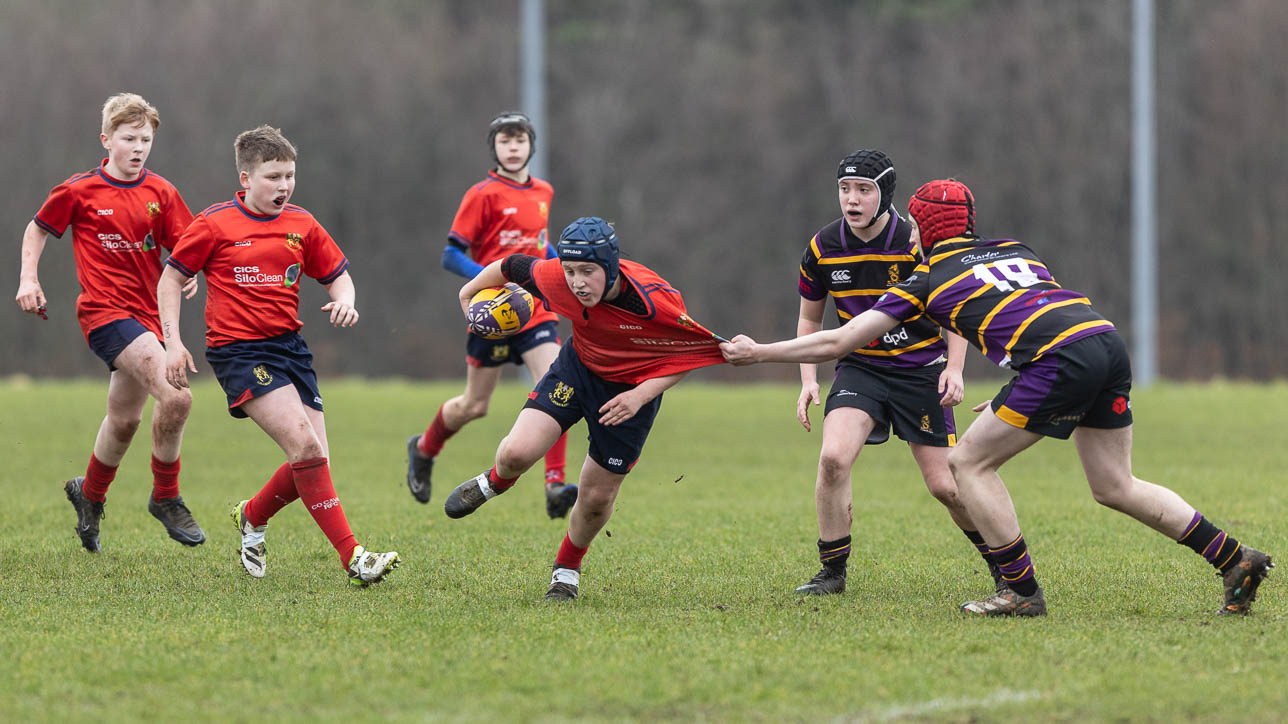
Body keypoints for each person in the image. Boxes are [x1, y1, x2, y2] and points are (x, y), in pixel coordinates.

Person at [722, 178, 1273, 617]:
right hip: (1102, 341)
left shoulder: (928, 278)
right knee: (1114, 485)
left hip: (1058, 360)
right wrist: (1024, 388)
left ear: (923, 229)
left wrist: (760, 352)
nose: (910, 233)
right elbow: (1029, 308)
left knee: (966, 464)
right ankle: (1233, 557)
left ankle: (1020, 591)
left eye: (915, 224)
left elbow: (842, 339)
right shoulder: (1016, 249)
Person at [157, 125, 398, 586]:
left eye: (289, 175)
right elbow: (170, 280)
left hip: (291, 350)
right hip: (238, 352)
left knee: (313, 461)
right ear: (245, 178)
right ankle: (354, 558)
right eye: (273, 176)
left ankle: (252, 515)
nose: (284, 186)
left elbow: (338, 275)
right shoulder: (213, 224)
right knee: (306, 449)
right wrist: (172, 342)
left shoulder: (302, 224)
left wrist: (346, 300)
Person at [443, 217, 727, 601]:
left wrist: (640, 396)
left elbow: (691, 354)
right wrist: (468, 294)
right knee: (515, 453)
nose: (577, 282)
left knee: (594, 500)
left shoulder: (655, 300)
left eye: (588, 272)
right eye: (571, 270)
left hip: (629, 396)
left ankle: (567, 568)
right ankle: (493, 482)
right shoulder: (556, 278)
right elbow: (510, 265)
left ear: (610, 268)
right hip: (577, 371)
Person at [790, 149, 1002, 597]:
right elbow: (811, 321)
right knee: (832, 459)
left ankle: (1005, 565)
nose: (852, 200)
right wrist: (809, 379)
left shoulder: (915, 243)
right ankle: (832, 572)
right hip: (861, 368)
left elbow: (952, 311)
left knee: (946, 486)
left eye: (863, 190)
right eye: (844, 189)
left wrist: (955, 369)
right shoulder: (822, 247)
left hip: (920, 372)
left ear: (884, 194)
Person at [16, 92, 204, 552]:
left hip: (150, 318)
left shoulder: (162, 193)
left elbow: (187, 247)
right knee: (177, 398)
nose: (139, 147)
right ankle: (166, 496)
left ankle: (90, 494)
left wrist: (188, 273)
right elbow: (38, 227)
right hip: (104, 314)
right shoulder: (79, 191)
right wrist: (28, 278)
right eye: (129, 138)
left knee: (123, 421)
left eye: (146, 139)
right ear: (107, 140)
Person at [406, 111, 574, 519]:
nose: (513, 147)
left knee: (557, 383)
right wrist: (488, 285)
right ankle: (424, 449)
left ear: (531, 145)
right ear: (494, 148)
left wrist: (560, 273)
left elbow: (541, 245)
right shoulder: (482, 194)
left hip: (533, 308)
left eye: (519, 140)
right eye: (505, 141)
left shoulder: (544, 191)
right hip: (492, 315)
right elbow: (451, 255)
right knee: (474, 406)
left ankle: (554, 483)